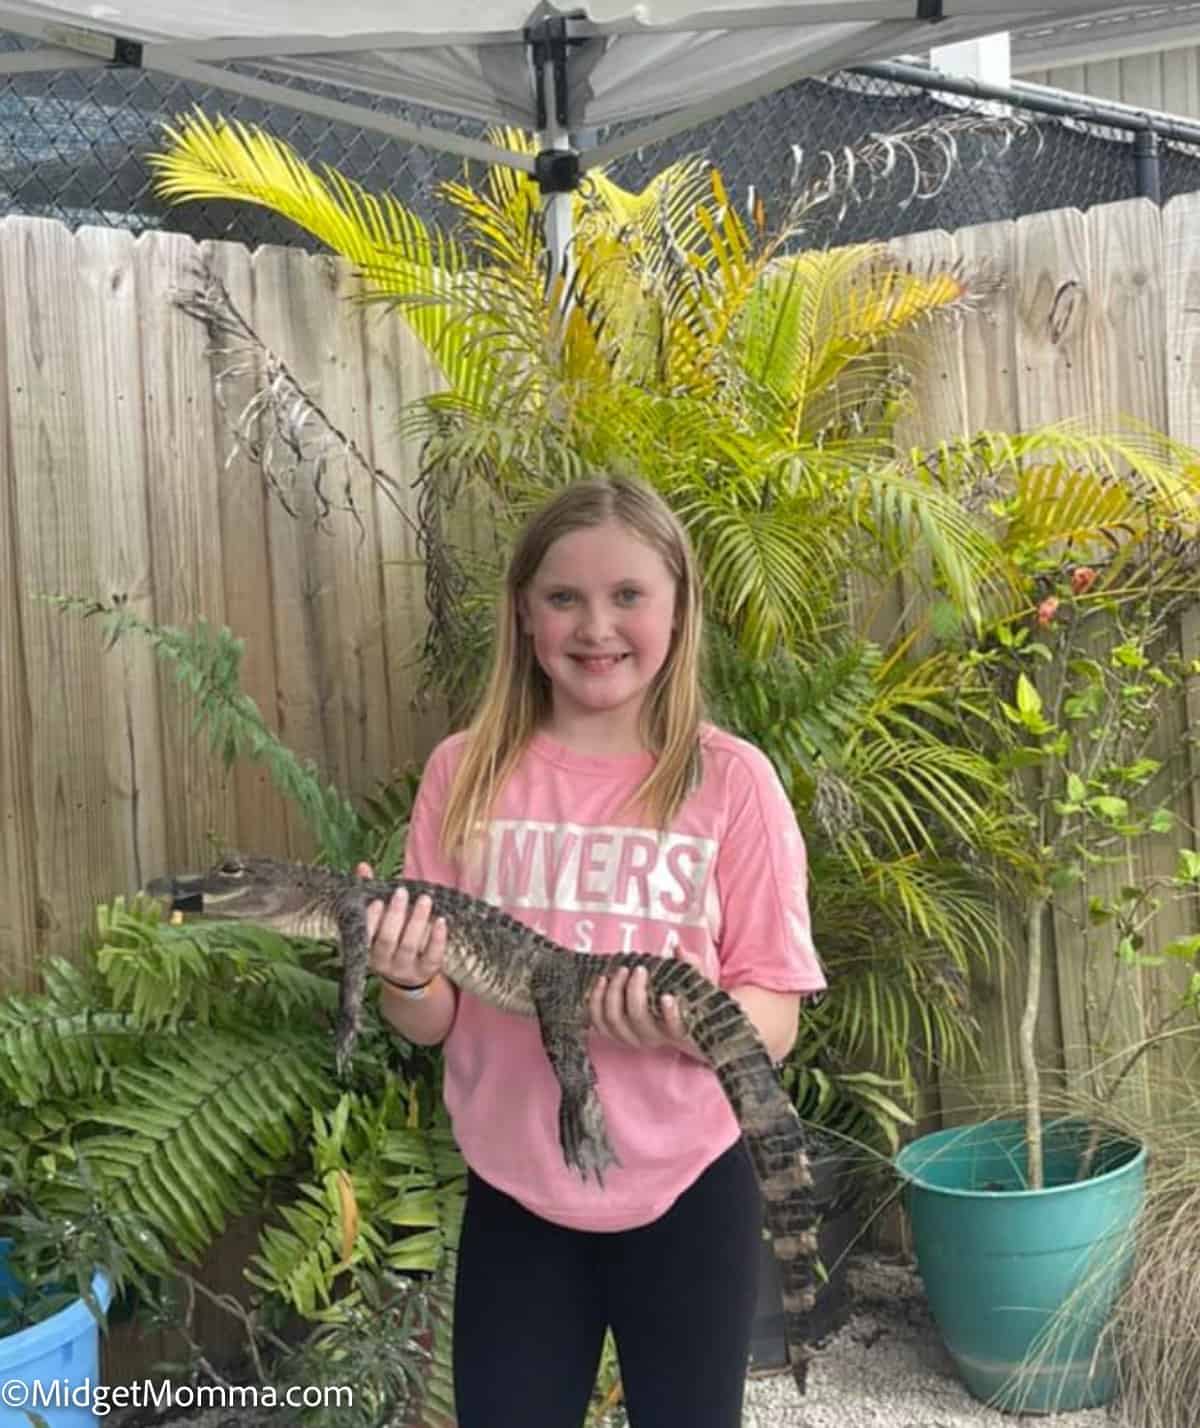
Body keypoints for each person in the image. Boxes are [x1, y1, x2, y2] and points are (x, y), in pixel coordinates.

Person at [358, 474, 826, 1428]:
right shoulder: (465, 772)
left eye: (627, 596)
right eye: (565, 597)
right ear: (525, 614)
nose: (596, 626)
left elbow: (771, 1013)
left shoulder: (731, 783)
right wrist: (403, 973)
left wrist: (688, 1029)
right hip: (515, 1191)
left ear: (677, 610)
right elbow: (431, 1018)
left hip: (692, 1190)